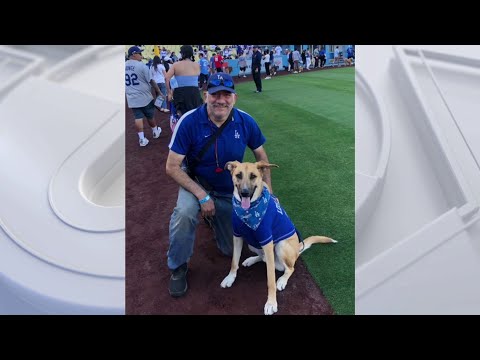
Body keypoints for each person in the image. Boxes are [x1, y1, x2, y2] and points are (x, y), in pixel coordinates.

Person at [165, 72, 272, 297]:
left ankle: (213, 219)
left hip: (228, 190)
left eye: (226, 95)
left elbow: (261, 156)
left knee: (227, 249)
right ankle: (178, 267)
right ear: (206, 96)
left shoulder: (245, 121)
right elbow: (172, 166)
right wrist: (202, 196)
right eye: (215, 94)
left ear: (234, 98)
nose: (220, 100)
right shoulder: (190, 121)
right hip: (196, 183)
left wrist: (268, 191)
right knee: (184, 214)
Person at [125, 46, 162, 147]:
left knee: (138, 117)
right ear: (133, 54)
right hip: (144, 95)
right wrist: (158, 91)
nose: (141, 55)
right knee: (150, 115)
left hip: (131, 96)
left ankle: (141, 139)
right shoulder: (141, 66)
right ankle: (155, 132)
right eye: (139, 53)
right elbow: (151, 80)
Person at [165, 45, 203, 117]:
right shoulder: (197, 65)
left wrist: (169, 93)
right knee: (195, 115)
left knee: (181, 116)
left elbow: (167, 78)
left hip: (180, 93)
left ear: (182, 54)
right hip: (194, 92)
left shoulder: (176, 65)